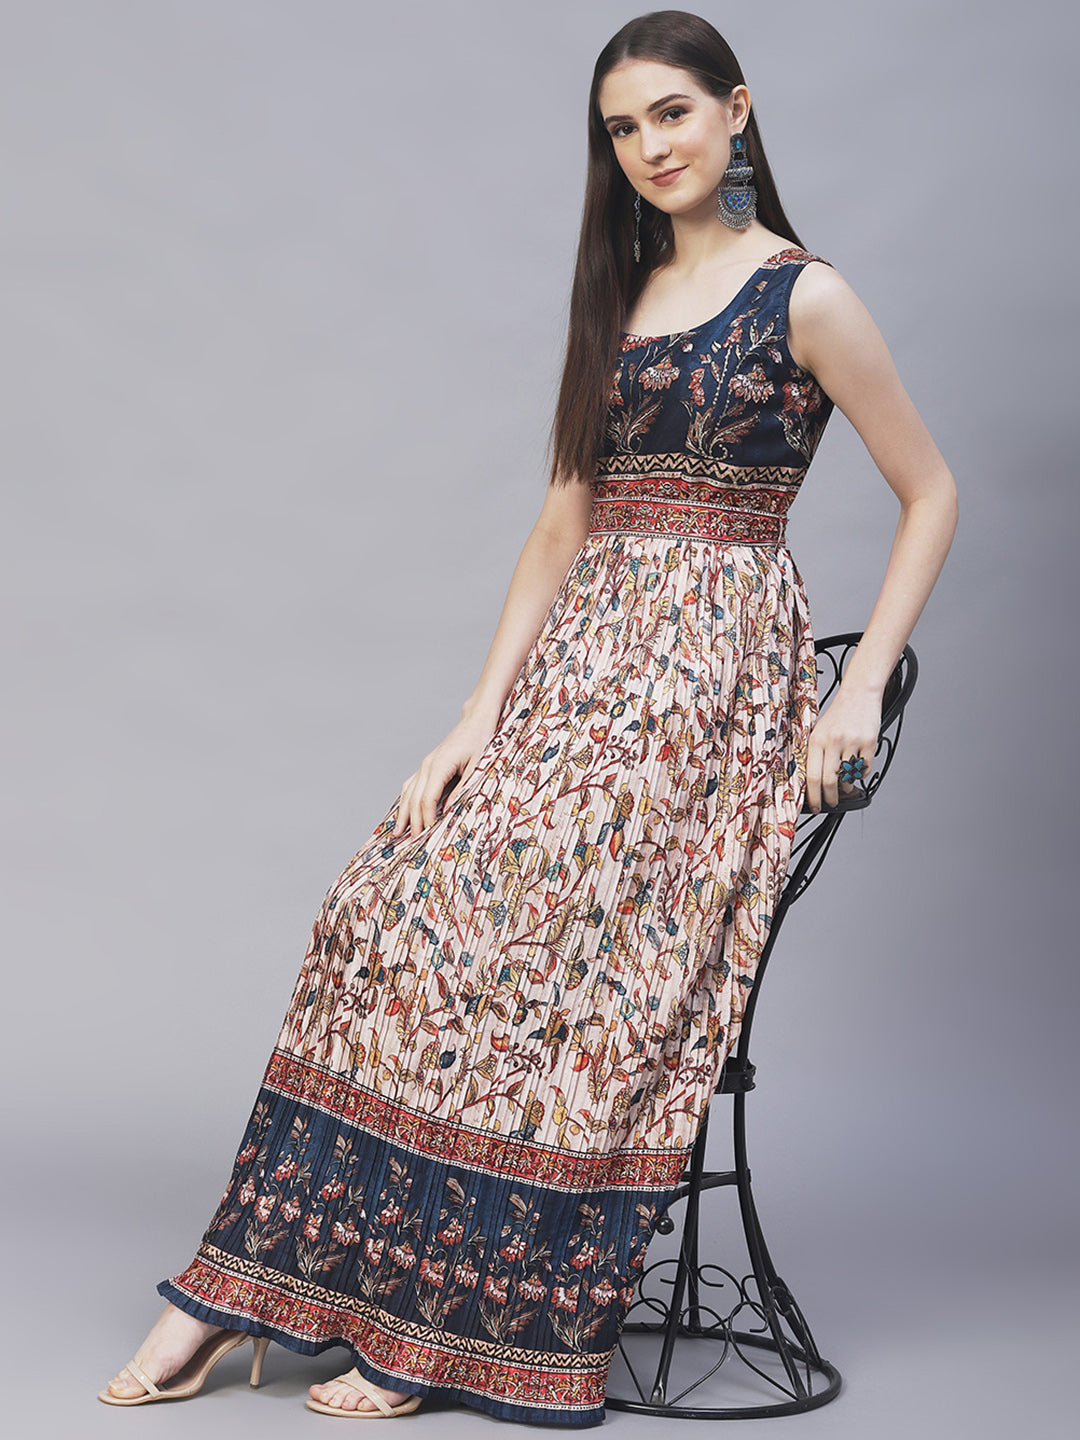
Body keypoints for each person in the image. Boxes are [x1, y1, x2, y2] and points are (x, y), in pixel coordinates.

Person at [99, 8, 957, 1425]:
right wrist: (473, 722)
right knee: (383, 910)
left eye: (672, 113)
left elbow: (931, 488)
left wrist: (856, 683)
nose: (650, 147)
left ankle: (441, 1328)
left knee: (542, 933)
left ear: (737, 111)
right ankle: (243, 1291)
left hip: (708, 687)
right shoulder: (619, 295)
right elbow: (560, 527)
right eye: (623, 129)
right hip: (580, 676)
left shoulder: (805, 296)